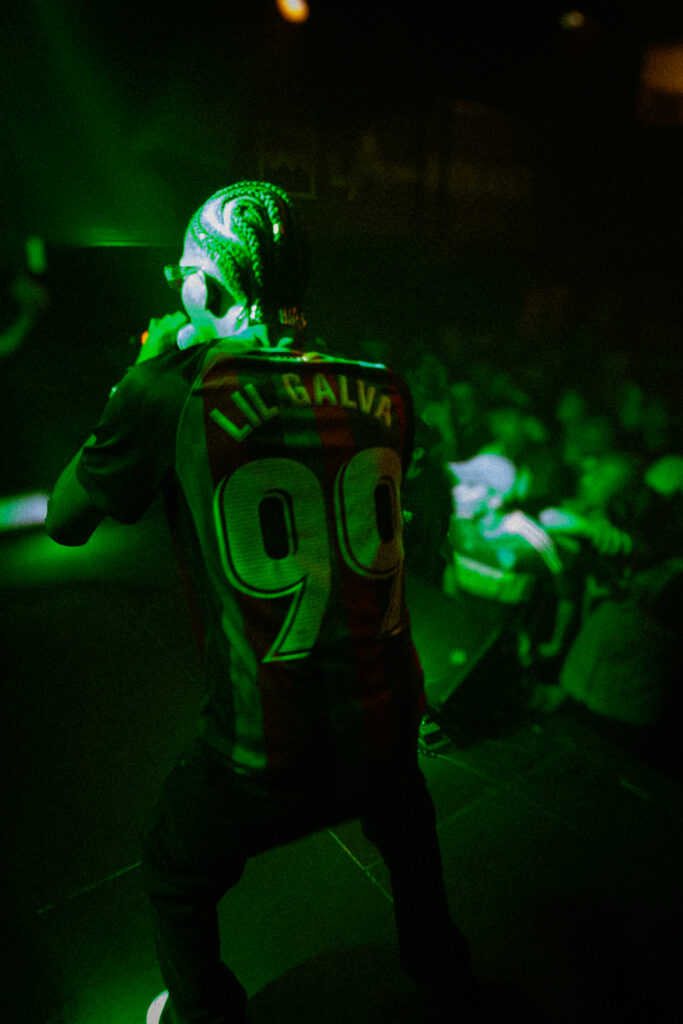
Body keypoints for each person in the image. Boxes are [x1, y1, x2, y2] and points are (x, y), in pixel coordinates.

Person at [45, 182, 476, 1024]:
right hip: (385, 712)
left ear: (207, 287)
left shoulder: (170, 390)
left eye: (183, 275)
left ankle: (202, 1012)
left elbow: (66, 520)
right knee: (404, 818)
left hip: (265, 741)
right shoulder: (385, 388)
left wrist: (141, 372)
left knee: (173, 866)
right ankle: (442, 966)